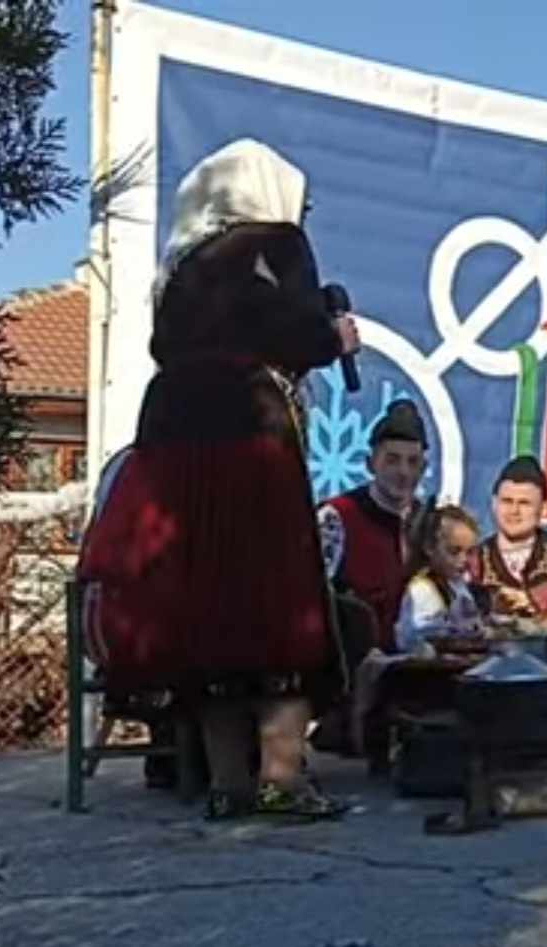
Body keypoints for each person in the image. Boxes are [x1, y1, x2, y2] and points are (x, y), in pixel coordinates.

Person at [77, 139, 353, 820]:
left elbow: (166, 345)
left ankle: (229, 785)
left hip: (171, 439)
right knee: (280, 610)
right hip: (247, 435)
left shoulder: (183, 267)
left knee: (211, 610)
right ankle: (282, 780)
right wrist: (334, 338)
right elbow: (293, 330)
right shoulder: (277, 245)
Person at [319, 400, 428, 653]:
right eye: (392, 460)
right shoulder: (336, 517)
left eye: (413, 462)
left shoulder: (430, 522)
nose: (403, 472)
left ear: (424, 469)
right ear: (370, 463)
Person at [468, 455, 547, 620]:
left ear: (543, 508)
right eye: (507, 501)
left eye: (524, 503)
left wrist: (532, 601)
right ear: (494, 504)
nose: (514, 511)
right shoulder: (473, 559)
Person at [394, 505, 483, 654]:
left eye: (470, 552)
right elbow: (424, 638)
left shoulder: (457, 585)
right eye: (454, 551)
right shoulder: (423, 590)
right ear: (429, 547)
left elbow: (470, 622)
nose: (463, 559)